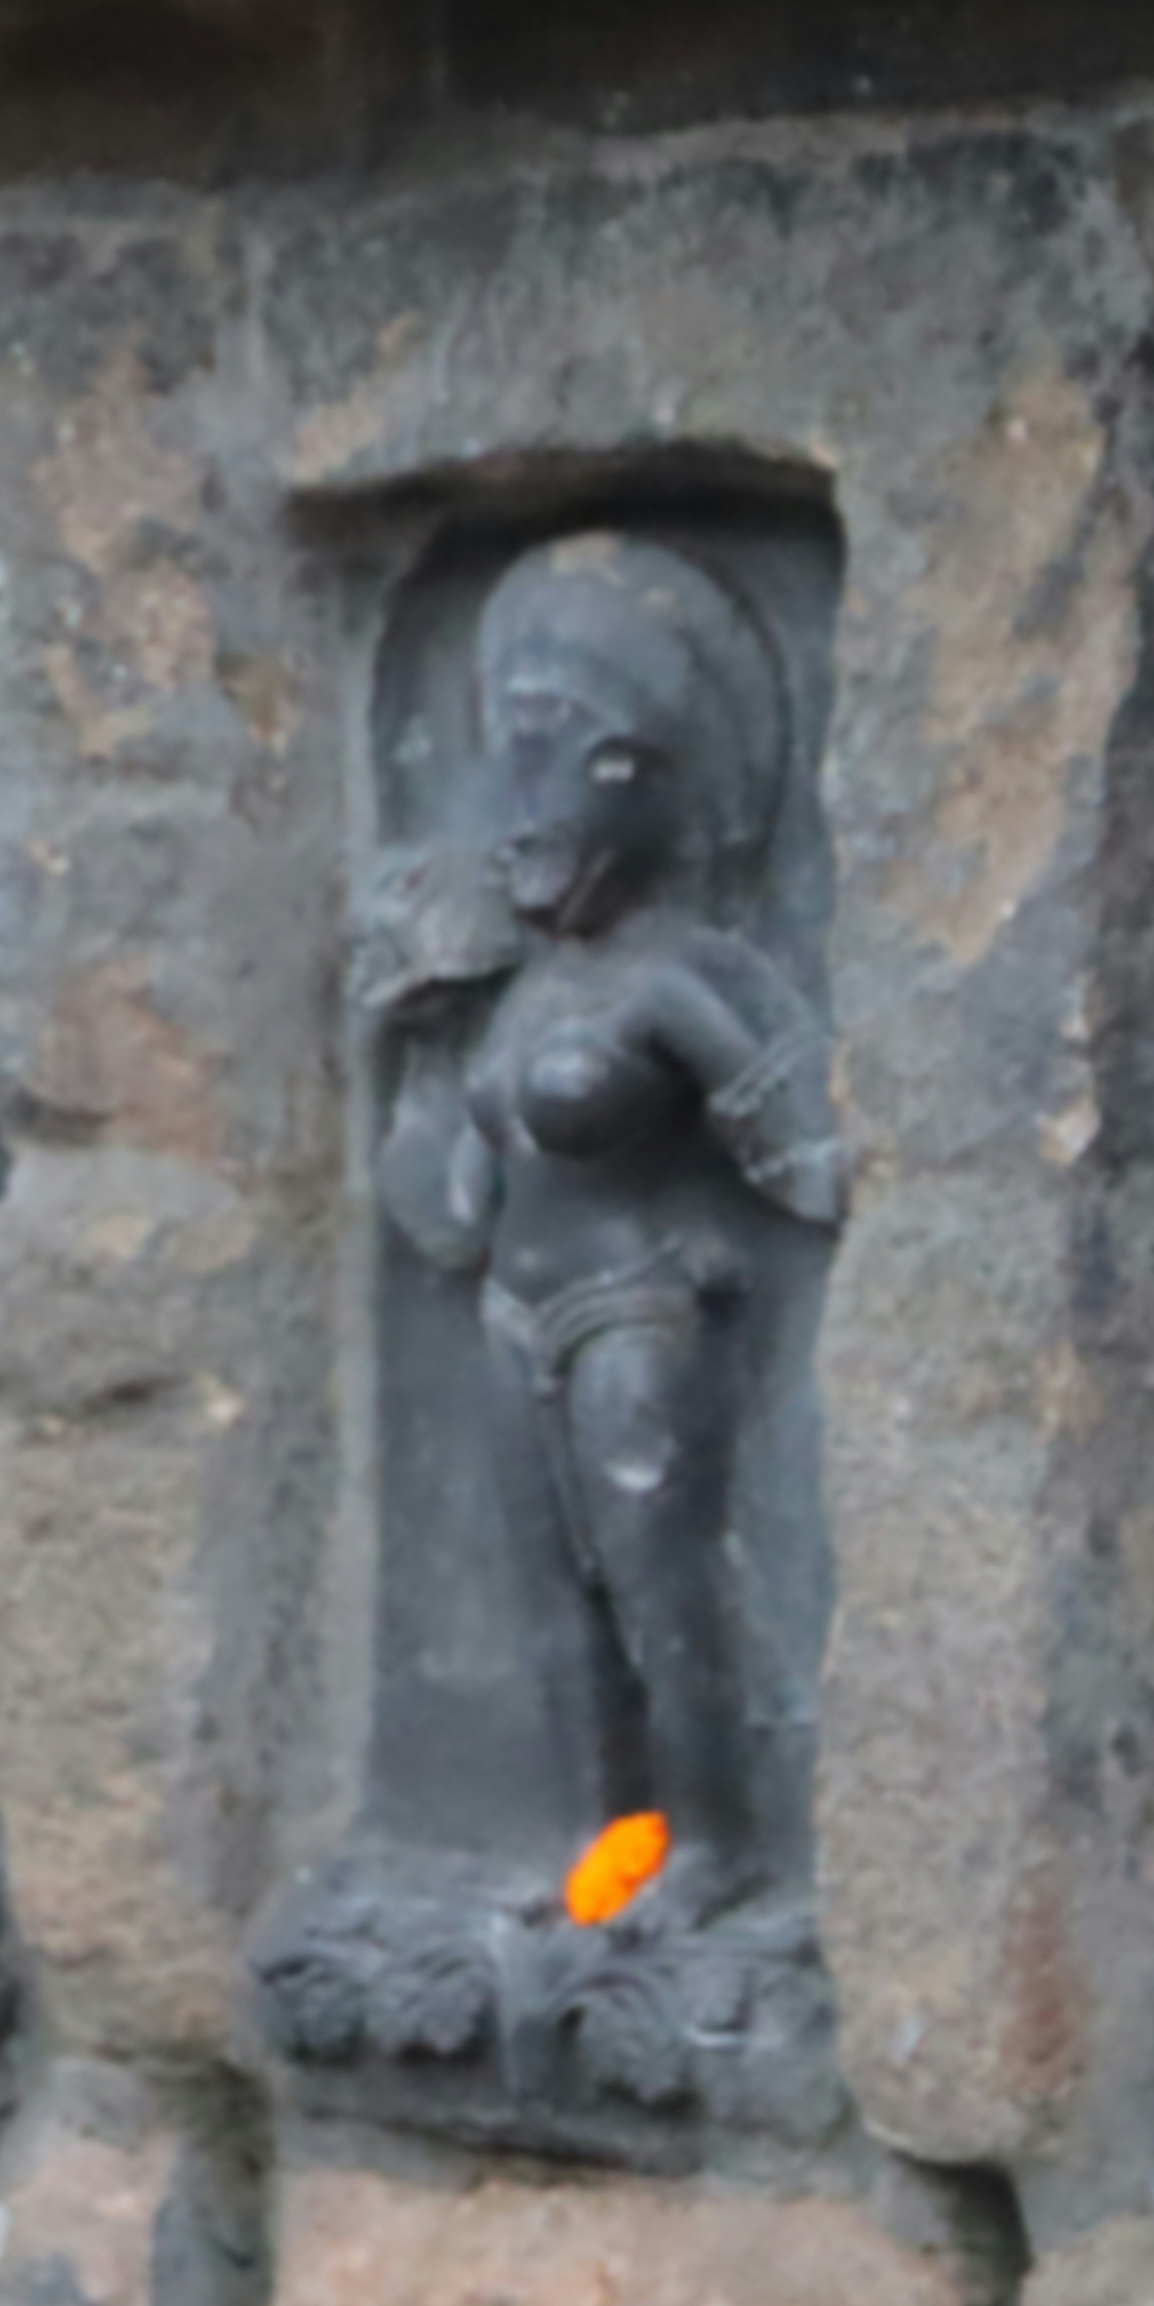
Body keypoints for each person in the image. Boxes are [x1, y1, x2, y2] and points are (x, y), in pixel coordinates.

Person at [370, 531, 848, 1930]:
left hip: (639, 1309)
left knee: (661, 1590)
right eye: (507, 770)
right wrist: (422, 1044)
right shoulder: (519, 996)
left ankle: (716, 1843)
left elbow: (814, 1162)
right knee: (556, 1606)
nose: (515, 820)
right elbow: (448, 1217)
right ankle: (607, 1842)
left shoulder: (687, 980)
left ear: (645, 787)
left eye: (563, 773)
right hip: (513, 1313)